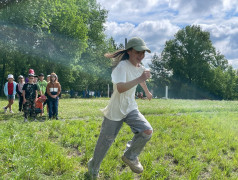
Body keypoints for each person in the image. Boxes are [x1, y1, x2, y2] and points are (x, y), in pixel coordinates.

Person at [88, 37, 153, 178]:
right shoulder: (121, 66)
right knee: (106, 142)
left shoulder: (140, 68)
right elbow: (121, 88)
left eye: (143, 53)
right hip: (116, 110)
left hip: (130, 108)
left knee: (147, 131)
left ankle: (130, 156)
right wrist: (140, 79)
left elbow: (141, 80)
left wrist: (147, 92)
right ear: (129, 51)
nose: (141, 56)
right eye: (138, 52)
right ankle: (94, 166)